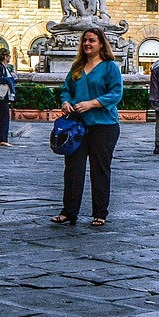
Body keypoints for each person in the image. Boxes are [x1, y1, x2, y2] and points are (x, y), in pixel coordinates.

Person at [53, 30, 124, 227]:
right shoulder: (77, 66)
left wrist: (92, 103)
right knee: (73, 169)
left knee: (99, 169)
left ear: (101, 44)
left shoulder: (110, 67)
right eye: (85, 40)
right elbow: (66, 89)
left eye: (92, 40)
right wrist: (65, 102)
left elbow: (116, 93)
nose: (87, 43)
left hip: (104, 125)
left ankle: (100, 213)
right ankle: (69, 211)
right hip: (77, 125)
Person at [0, 47, 16, 147]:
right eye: (8, 56)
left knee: (2, 118)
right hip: (0, 97)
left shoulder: (4, 67)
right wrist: (7, 80)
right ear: (5, 57)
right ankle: (1, 139)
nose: (9, 57)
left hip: (2, 97)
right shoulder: (0, 68)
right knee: (4, 118)